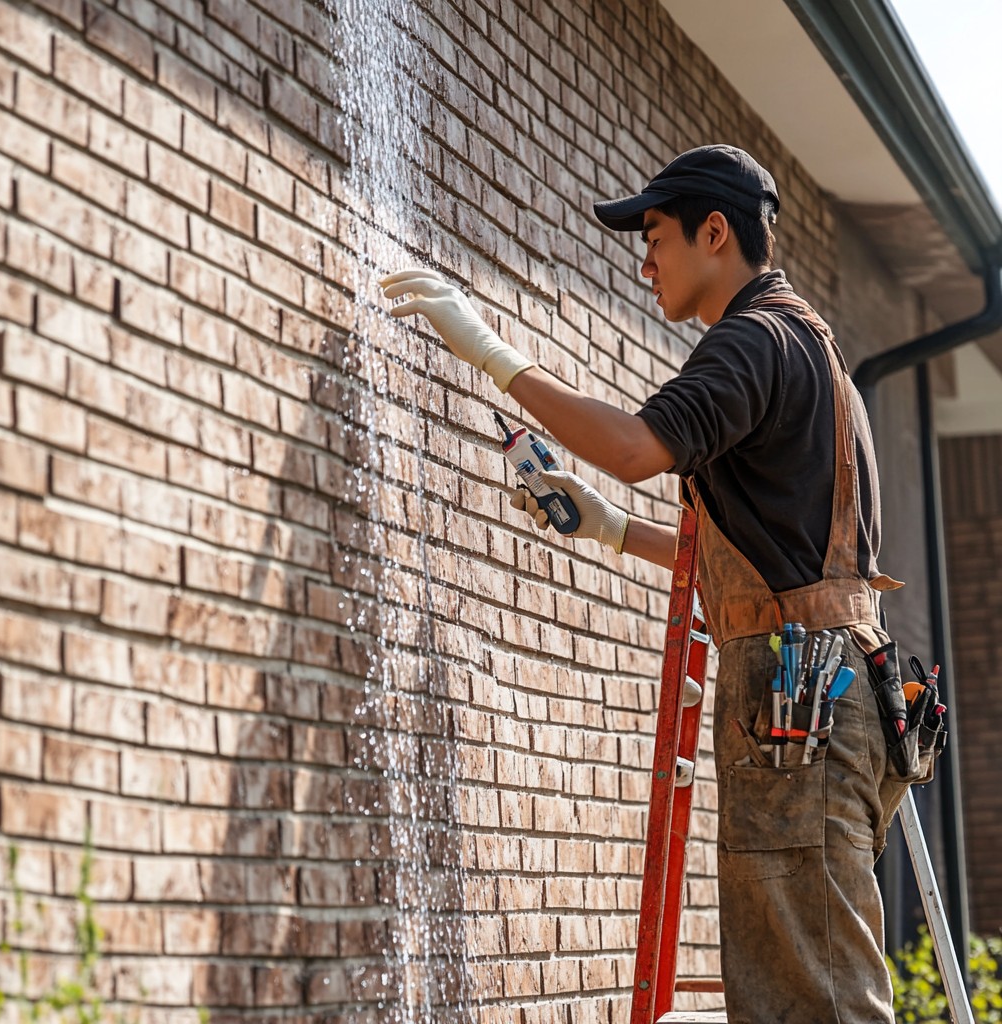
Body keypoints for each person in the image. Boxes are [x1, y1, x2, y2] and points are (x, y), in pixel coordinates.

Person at [380, 144, 911, 1023]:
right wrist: (613, 529)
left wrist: (489, 352)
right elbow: (778, 568)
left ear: (716, 232)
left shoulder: (753, 338)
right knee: (794, 992)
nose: (645, 259)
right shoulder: (807, 348)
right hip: (826, 690)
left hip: (802, 708)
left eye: (657, 234)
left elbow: (634, 447)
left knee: (814, 1005)